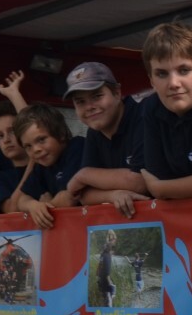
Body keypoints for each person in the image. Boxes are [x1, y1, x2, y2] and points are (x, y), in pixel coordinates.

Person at [135, 23, 192, 200]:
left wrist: (160, 190)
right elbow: (158, 174)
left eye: (184, 71)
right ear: (151, 81)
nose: (173, 83)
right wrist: (163, 187)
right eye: (162, 74)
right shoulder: (151, 107)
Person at [58, 62, 152, 214]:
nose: (89, 107)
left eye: (97, 96)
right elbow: (82, 195)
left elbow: (142, 181)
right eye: (80, 102)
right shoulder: (94, 132)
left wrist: (84, 175)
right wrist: (113, 195)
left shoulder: (143, 115)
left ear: (117, 93)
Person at [13, 104, 85, 229]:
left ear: (61, 133)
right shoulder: (42, 165)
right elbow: (21, 200)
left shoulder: (77, 148)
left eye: (41, 140)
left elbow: (68, 198)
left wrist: (46, 204)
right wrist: (33, 206)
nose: (36, 149)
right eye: (28, 146)